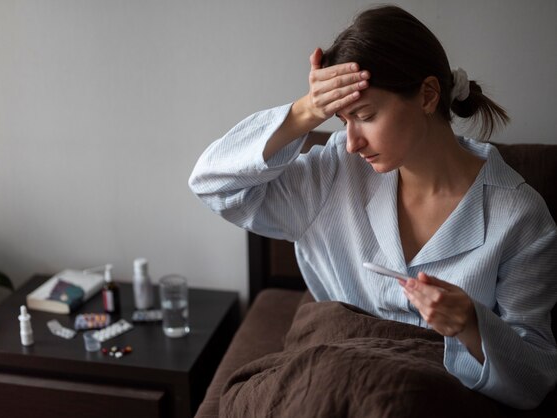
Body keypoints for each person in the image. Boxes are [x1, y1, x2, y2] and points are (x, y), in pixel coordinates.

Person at [189, 5, 557, 410]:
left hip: (426, 393)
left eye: (365, 116)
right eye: (342, 119)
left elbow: (535, 379)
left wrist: (471, 325)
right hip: (328, 375)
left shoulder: (520, 216)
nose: (351, 142)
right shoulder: (334, 172)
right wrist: (305, 112)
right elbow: (212, 185)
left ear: (428, 95)